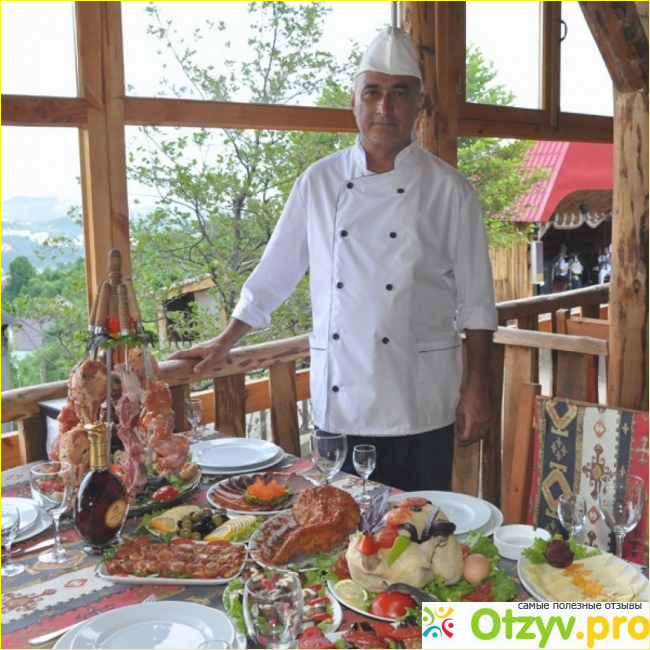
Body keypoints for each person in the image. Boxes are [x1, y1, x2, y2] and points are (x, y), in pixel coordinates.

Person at [170, 27, 497, 492]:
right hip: (343, 405)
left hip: (420, 400)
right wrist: (226, 340)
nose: (384, 108)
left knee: (420, 527)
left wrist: (478, 386)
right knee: (339, 527)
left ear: (420, 104)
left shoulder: (451, 191)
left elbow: (478, 302)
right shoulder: (318, 182)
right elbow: (275, 273)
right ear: (354, 101)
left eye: (399, 93)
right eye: (373, 92)